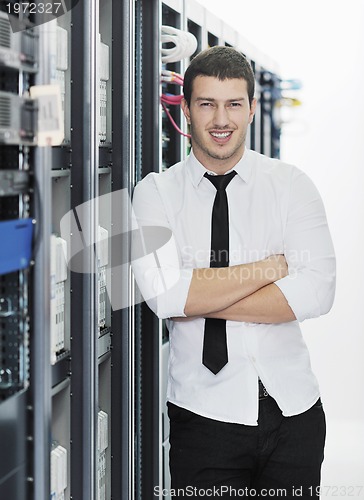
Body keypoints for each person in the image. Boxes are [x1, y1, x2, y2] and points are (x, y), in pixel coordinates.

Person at [132, 46, 336, 499]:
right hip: (204, 420)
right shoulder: (155, 194)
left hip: (293, 414)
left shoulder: (291, 186)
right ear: (185, 110)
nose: (220, 120)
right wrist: (271, 269)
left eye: (233, 104)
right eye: (206, 104)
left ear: (249, 109)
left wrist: (199, 293)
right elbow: (164, 297)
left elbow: (317, 292)